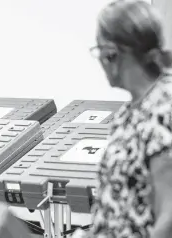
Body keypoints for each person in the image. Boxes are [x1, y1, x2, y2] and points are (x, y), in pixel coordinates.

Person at [73, 1, 172, 237]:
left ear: (112, 53)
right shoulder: (127, 115)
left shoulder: (163, 110)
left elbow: (168, 219)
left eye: (99, 51)